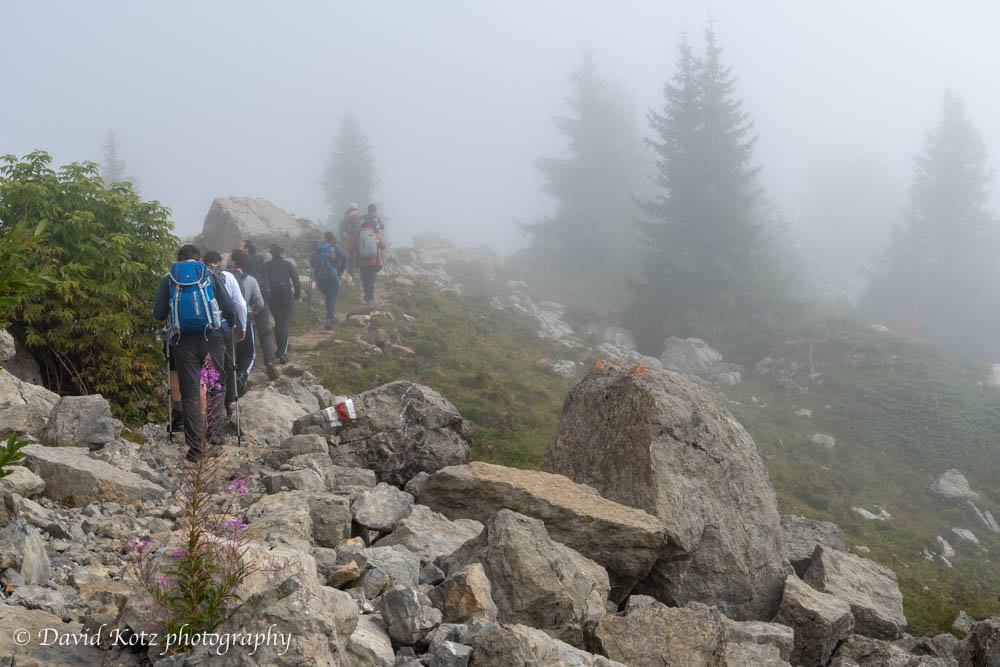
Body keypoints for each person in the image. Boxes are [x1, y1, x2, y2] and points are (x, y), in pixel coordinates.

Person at [153, 244, 237, 462]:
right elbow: (229, 308)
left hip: (182, 342)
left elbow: (158, 312)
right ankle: (215, 433)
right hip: (213, 337)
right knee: (216, 385)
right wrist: (231, 324)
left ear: (179, 260)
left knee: (190, 392)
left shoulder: (169, 278)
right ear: (199, 259)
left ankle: (196, 450)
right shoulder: (208, 275)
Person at [203, 251, 247, 418]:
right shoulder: (227, 276)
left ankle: (204, 404)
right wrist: (239, 325)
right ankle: (227, 403)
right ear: (219, 262)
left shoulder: (197, 276)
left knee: (206, 366)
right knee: (228, 365)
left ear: (203, 261)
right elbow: (239, 304)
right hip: (223, 327)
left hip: (200, 330)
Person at [228, 248, 273, 389]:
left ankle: (230, 381)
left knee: (230, 353)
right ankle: (241, 376)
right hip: (245, 319)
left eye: (229, 258)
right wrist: (253, 309)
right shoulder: (251, 280)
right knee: (249, 354)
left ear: (233, 261)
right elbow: (260, 302)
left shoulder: (223, 277)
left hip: (226, 321)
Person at [264, 244, 300, 364]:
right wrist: (297, 295)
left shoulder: (266, 266)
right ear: (282, 253)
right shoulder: (288, 265)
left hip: (272, 298)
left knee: (278, 323)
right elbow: (296, 280)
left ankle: (278, 351)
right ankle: (282, 353)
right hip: (286, 297)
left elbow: (264, 282)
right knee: (283, 325)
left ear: (271, 253)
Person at [311, 231, 347, 330]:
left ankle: (330, 316)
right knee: (331, 297)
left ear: (326, 238)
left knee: (329, 297)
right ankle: (330, 319)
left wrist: (316, 274)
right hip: (332, 277)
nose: (322, 238)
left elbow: (312, 262)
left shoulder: (318, 249)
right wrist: (340, 270)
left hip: (321, 278)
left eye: (323, 237)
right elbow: (344, 258)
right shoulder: (335, 249)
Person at [349, 215, 387, 309]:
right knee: (370, 280)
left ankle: (369, 299)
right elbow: (383, 246)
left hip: (362, 263)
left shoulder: (359, 235)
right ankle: (370, 299)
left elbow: (350, 248)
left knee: (365, 280)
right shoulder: (375, 234)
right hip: (374, 262)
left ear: (361, 227)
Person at [339, 204, 361, 276]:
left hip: (347, 238)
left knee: (349, 255)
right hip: (355, 237)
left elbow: (344, 228)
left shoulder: (346, 216)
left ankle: (347, 271)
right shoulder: (356, 216)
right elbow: (358, 227)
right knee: (354, 255)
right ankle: (353, 272)